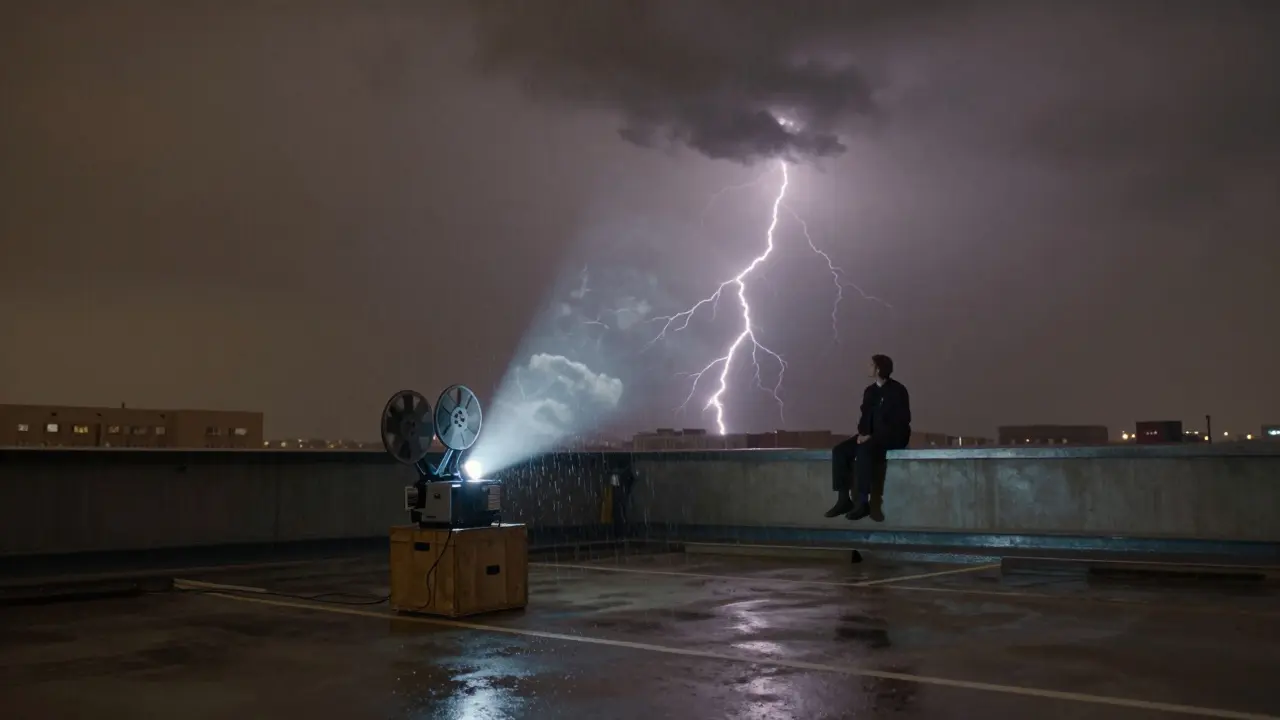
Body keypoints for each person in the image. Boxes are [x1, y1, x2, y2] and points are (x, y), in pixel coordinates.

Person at [826, 354, 912, 522]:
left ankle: (864, 503)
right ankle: (844, 500)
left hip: (893, 437)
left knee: (865, 450)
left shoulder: (898, 391)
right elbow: (865, 416)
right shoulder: (870, 391)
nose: (868, 367)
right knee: (840, 451)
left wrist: (871, 437)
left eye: (871, 364)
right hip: (870, 437)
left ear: (879, 368)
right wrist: (862, 434)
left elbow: (901, 421)